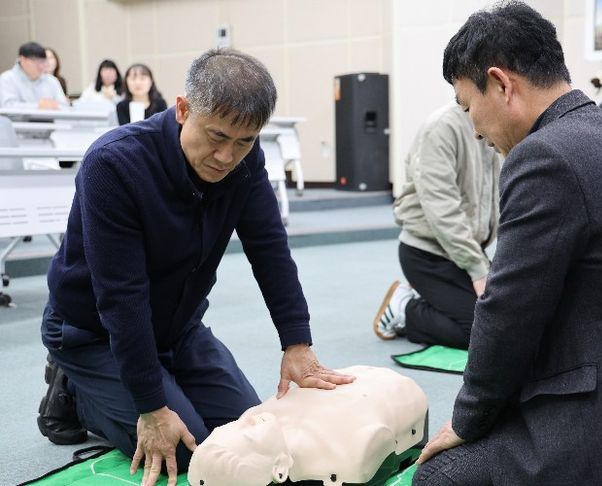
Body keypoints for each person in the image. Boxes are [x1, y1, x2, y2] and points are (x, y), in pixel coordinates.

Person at [37, 48, 354, 486]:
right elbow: (121, 298)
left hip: (177, 327)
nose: (226, 156)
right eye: (217, 136)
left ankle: (140, 382)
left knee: (248, 436)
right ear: (183, 109)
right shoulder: (113, 164)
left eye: (244, 141)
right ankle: (76, 391)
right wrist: (151, 406)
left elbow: (270, 249)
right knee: (188, 451)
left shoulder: (246, 160)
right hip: (93, 331)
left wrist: (296, 342)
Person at [414, 2, 602, 485]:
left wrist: (466, 421)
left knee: (438, 474)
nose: (474, 128)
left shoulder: (545, 156)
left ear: (501, 83)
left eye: (469, 106)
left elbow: (507, 312)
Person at [373, 102, 500, 349]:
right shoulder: (442, 128)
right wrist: (479, 270)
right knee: (480, 333)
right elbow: (441, 209)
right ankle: (405, 308)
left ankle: (432, 297)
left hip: (467, 251)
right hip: (427, 254)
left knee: (507, 317)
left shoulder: (495, 124)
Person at [188, 366, 427, 486]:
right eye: (249, 435)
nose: (247, 420)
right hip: (394, 396)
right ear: (279, 469)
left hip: (368, 381)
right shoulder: (346, 456)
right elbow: (378, 440)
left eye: (234, 426)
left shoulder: (255, 415)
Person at [0, 41, 68, 109]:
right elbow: (8, 106)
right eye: (36, 61)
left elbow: (64, 106)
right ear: (22, 60)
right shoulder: (7, 79)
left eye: (42, 61)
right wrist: (39, 106)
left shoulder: (51, 80)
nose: (41, 66)